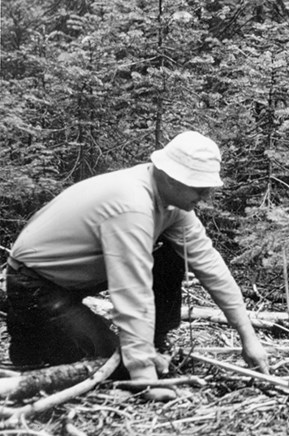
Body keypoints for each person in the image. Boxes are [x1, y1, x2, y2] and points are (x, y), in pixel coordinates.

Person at [5, 131, 269, 401]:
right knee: (110, 365)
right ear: (170, 177)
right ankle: (33, 338)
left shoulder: (173, 205)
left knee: (172, 256)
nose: (206, 195)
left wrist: (248, 337)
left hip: (73, 279)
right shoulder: (132, 205)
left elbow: (211, 267)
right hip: (35, 285)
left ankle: (154, 343)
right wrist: (143, 378)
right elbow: (132, 292)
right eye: (199, 188)